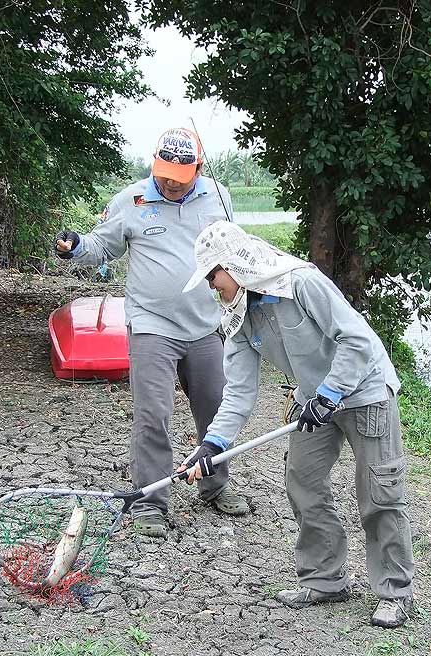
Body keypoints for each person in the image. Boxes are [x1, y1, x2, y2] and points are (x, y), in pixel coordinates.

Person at [176, 220, 415, 628]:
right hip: (313, 401)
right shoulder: (238, 317)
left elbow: (356, 339)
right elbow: (238, 390)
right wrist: (212, 444)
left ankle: (395, 591)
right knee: (302, 482)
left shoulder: (302, 283)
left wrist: (331, 393)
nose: (212, 286)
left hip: (365, 391)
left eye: (213, 276)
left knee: (379, 492)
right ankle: (325, 579)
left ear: (234, 265)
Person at [53, 127, 249, 539]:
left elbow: (234, 249)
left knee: (215, 410)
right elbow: (101, 247)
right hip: (151, 326)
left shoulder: (219, 196)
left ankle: (214, 486)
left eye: (179, 176)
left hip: (204, 325)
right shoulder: (132, 199)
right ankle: (150, 501)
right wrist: (75, 246)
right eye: (162, 173)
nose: (168, 182)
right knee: (152, 414)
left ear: (197, 168)